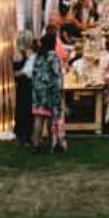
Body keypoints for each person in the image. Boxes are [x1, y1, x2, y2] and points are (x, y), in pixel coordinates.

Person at [31, 23, 68, 153]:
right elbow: (57, 74)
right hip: (50, 90)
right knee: (53, 117)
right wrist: (60, 87)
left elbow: (34, 73)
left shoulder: (38, 57)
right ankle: (55, 143)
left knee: (39, 116)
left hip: (38, 90)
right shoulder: (53, 56)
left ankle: (36, 143)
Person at [13, 30, 36, 148]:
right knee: (23, 110)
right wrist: (24, 72)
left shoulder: (30, 53)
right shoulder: (18, 55)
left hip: (30, 85)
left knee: (29, 111)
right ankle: (22, 136)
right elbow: (14, 74)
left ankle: (29, 135)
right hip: (23, 86)